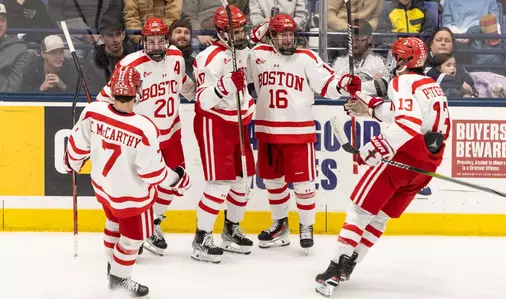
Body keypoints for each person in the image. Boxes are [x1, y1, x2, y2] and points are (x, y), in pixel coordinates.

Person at [314, 37, 451, 297]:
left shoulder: (401, 82)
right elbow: (411, 117)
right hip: (427, 164)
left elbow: (407, 125)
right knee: (380, 217)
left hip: (403, 157)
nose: (393, 61)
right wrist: (370, 108)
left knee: (359, 211)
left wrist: (372, 148)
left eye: (396, 57)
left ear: (404, 60)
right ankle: (349, 264)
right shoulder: (430, 85)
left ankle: (334, 270)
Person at [64, 65, 190, 299]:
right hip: (133, 198)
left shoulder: (93, 111)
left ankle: (113, 266)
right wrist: (176, 178)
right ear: (137, 91)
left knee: (113, 223)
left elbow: (76, 148)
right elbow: (152, 174)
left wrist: (71, 162)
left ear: (112, 89)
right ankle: (120, 280)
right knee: (132, 240)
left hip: (104, 189)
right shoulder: (144, 127)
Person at [247, 14, 361, 251]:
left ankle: (306, 226)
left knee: (304, 184)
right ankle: (280, 225)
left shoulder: (307, 57)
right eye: (282, 35)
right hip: (267, 130)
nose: (288, 39)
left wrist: (343, 84)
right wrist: (265, 25)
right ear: (272, 36)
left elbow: (328, 85)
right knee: (273, 182)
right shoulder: (257, 55)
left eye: (291, 34)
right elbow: (243, 49)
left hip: (298, 133)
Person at [96, 17, 196, 256]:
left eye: (160, 41)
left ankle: (152, 225)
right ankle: (128, 237)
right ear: (143, 42)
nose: (155, 47)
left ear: (166, 40)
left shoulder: (176, 57)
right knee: (138, 189)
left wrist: (202, 94)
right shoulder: (130, 65)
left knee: (175, 182)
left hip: (171, 133)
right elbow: (107, 98)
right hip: (143, 140)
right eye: (150, 42)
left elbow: (181, 83)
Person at [191, 5, 255, 263]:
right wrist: (226, 85)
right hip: (214, 124)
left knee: (242, 183)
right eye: (234, 30)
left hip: (239, 124)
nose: (240, 34)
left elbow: (259, 37)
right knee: (219, 185)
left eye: (242, 29)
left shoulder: (241, 49)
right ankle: (201, 238)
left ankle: (230, 230)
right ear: (221, 31)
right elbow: (203, 101)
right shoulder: (208, 58)